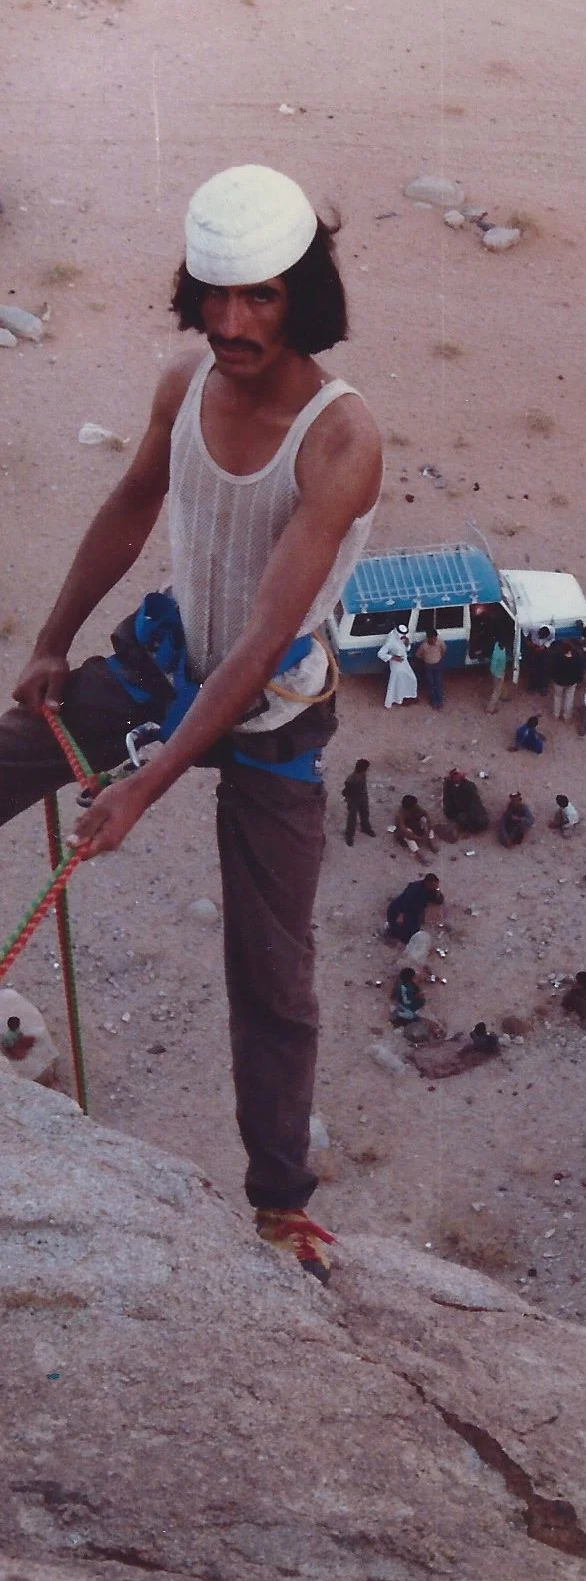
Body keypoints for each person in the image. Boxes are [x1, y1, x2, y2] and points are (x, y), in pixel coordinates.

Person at [0, 164, 383, 1286]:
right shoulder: (186, 381)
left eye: (258, 297)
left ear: (303, 295)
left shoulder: (338, 439)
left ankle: (279, 1206)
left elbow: (265, 636)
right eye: (214, 296)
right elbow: (132, 505)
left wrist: (143, 786)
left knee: (272, 969)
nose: (229, 323)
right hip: (164, 663)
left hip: (268, 713)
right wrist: (51, 641)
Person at [386, 872, 443, 944]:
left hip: (413, 912)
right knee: (404, 931)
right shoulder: (414, 888)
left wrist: (437, 893)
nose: (435, 886)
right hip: (399, 910)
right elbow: (404, 901)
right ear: (427, 883)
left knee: (415, 931)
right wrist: (401, 915)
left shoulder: (430, 891)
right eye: (433, 885)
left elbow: (438, 900)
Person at [549, 635, 586, 722]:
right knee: (569, 698)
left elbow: (552, 668)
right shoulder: (577, 658)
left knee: (557, 697)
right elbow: (580, 670)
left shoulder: (557, 657)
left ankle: (556, 714)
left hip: (559, 681)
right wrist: (579, 679)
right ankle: (567, 716)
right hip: (571, 682)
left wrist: (553, 677)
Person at [378, 624, 417, 708]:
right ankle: (399, 700)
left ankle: (409, 696)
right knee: (398, 682)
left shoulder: (403, 638)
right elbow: (380, 654)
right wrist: (392, 657)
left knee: (412, 678)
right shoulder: (391, 641)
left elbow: (406, 649)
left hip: (404, 662)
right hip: (396, 665)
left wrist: (407, 644)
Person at [442, 767, 489, 834]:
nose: (457, 778)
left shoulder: (469, 786)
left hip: (470, 808)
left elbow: (475, 800)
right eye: (455, 776)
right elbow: (448, 802)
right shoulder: (448, 786)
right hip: (457, 809)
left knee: (481, 820)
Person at [390, 793, 437, 858]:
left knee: (425, 820)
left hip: (415, 825)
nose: (416, 805)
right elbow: (403, 830)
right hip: (407, 831)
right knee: (408, 836)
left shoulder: (415, 807)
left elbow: (425, 813)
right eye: (414, 805)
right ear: (410, 807)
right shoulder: (400, 815)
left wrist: (428, 828)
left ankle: (429, 842)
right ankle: (418, 854)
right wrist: (419, 838)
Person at [341, 757, 375, 845]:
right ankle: (349, 836)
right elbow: (345, 791)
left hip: (362, 797)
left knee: (365, 813)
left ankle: (365, 828)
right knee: (352, 818)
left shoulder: (362, 775)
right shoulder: (351, 779)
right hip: (353, 800)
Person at [416, 629, 445, 710]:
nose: (433, 640)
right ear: (428, 638)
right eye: (432, 638)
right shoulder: (423, 646)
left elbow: (443, 650)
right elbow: (418, 655)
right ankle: (433, 701)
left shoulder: (440, 642)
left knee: (438, 682)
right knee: (430, 683)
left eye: (435, 638)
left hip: (438, 665)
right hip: (428, 667)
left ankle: (440, 700)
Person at [523, 624, 554, 694]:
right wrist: (529, 643)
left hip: (544, 650)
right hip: (533, 648)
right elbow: (525, 634)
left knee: (544, 668)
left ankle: (543, 687)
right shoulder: (533, 627)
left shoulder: (552, 630)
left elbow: (552, 639)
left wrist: (545, 646)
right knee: (532, 668)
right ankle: (532, 686)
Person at [486, 636, 510, 713]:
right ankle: (490, 709)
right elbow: (493, 666)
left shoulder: (497, 646)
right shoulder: (497, 655)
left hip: (500, 672)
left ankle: (503, 696)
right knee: (496, 691)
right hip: (498, 674)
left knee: (502, 685)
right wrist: (498, 675)